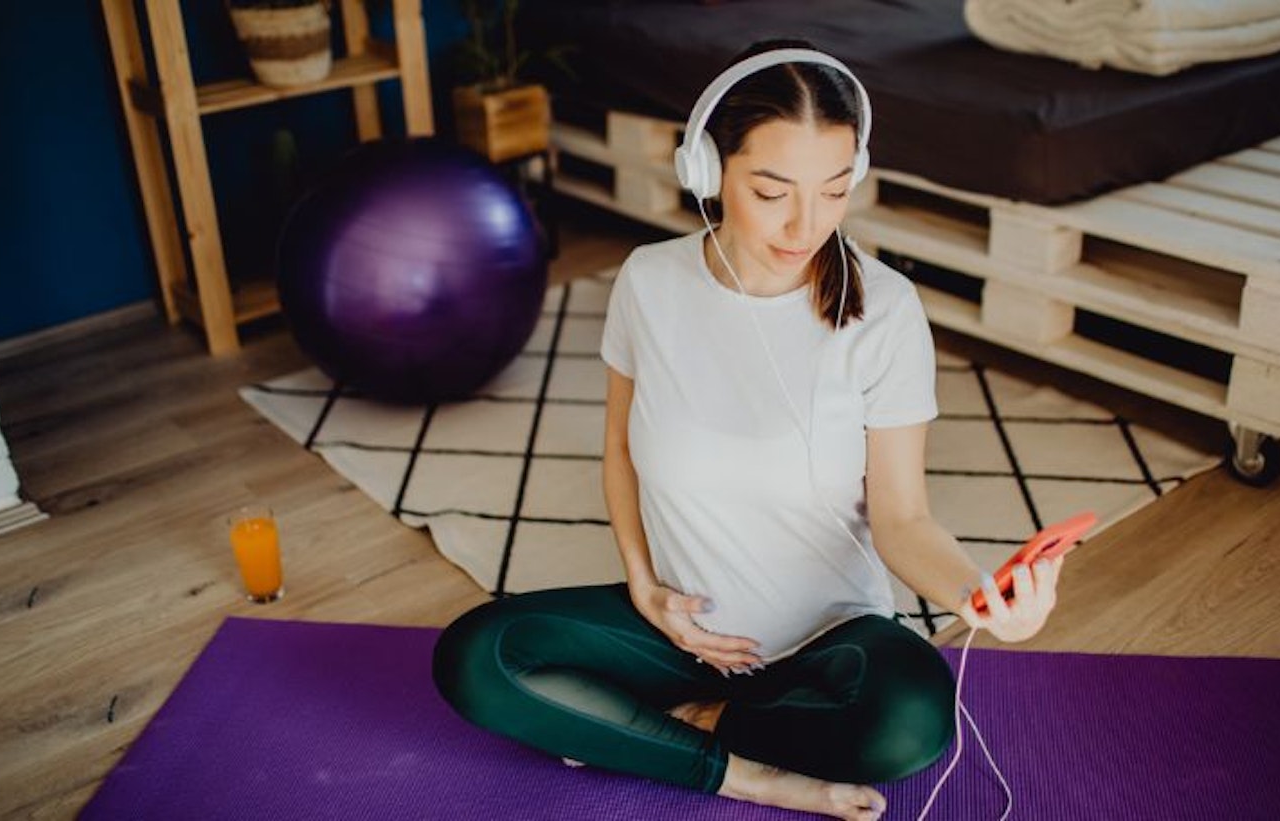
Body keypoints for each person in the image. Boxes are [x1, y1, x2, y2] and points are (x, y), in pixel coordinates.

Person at [433, 40, 1064, 821]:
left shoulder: (888, 311)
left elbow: (903, 519)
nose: (807, 224)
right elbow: (620, 453)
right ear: (707, 170)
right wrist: (643, 584)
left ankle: (680, 730)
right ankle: (748, 773)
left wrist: (983, 598)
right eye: (772, 191)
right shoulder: (649, 282)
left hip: (829, 646)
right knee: (476, 657)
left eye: (835, 190)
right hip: (675, 630)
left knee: (910, 719)